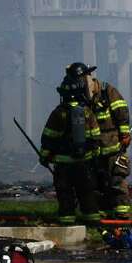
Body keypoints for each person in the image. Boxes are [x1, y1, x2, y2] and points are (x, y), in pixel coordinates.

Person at [62, 62, 132, 222]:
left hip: (112, 146)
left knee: (116, 178)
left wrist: (125, 133)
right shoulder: (76, 96)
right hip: (91, 149)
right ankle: (101, 212)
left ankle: (122, 213)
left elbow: (121, 110)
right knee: (94, 182)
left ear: (88, 77)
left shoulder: (107, 91)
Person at [38, 75, 103, 227]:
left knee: (65, 195)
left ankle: (67, 223)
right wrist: (93, 156)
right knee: (86, 193)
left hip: (63, 165)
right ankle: (93, 222)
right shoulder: (87, 112)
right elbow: (96, 137)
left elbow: (49, 137)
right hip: (83, 164)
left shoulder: (58, 113)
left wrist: (44, 157)